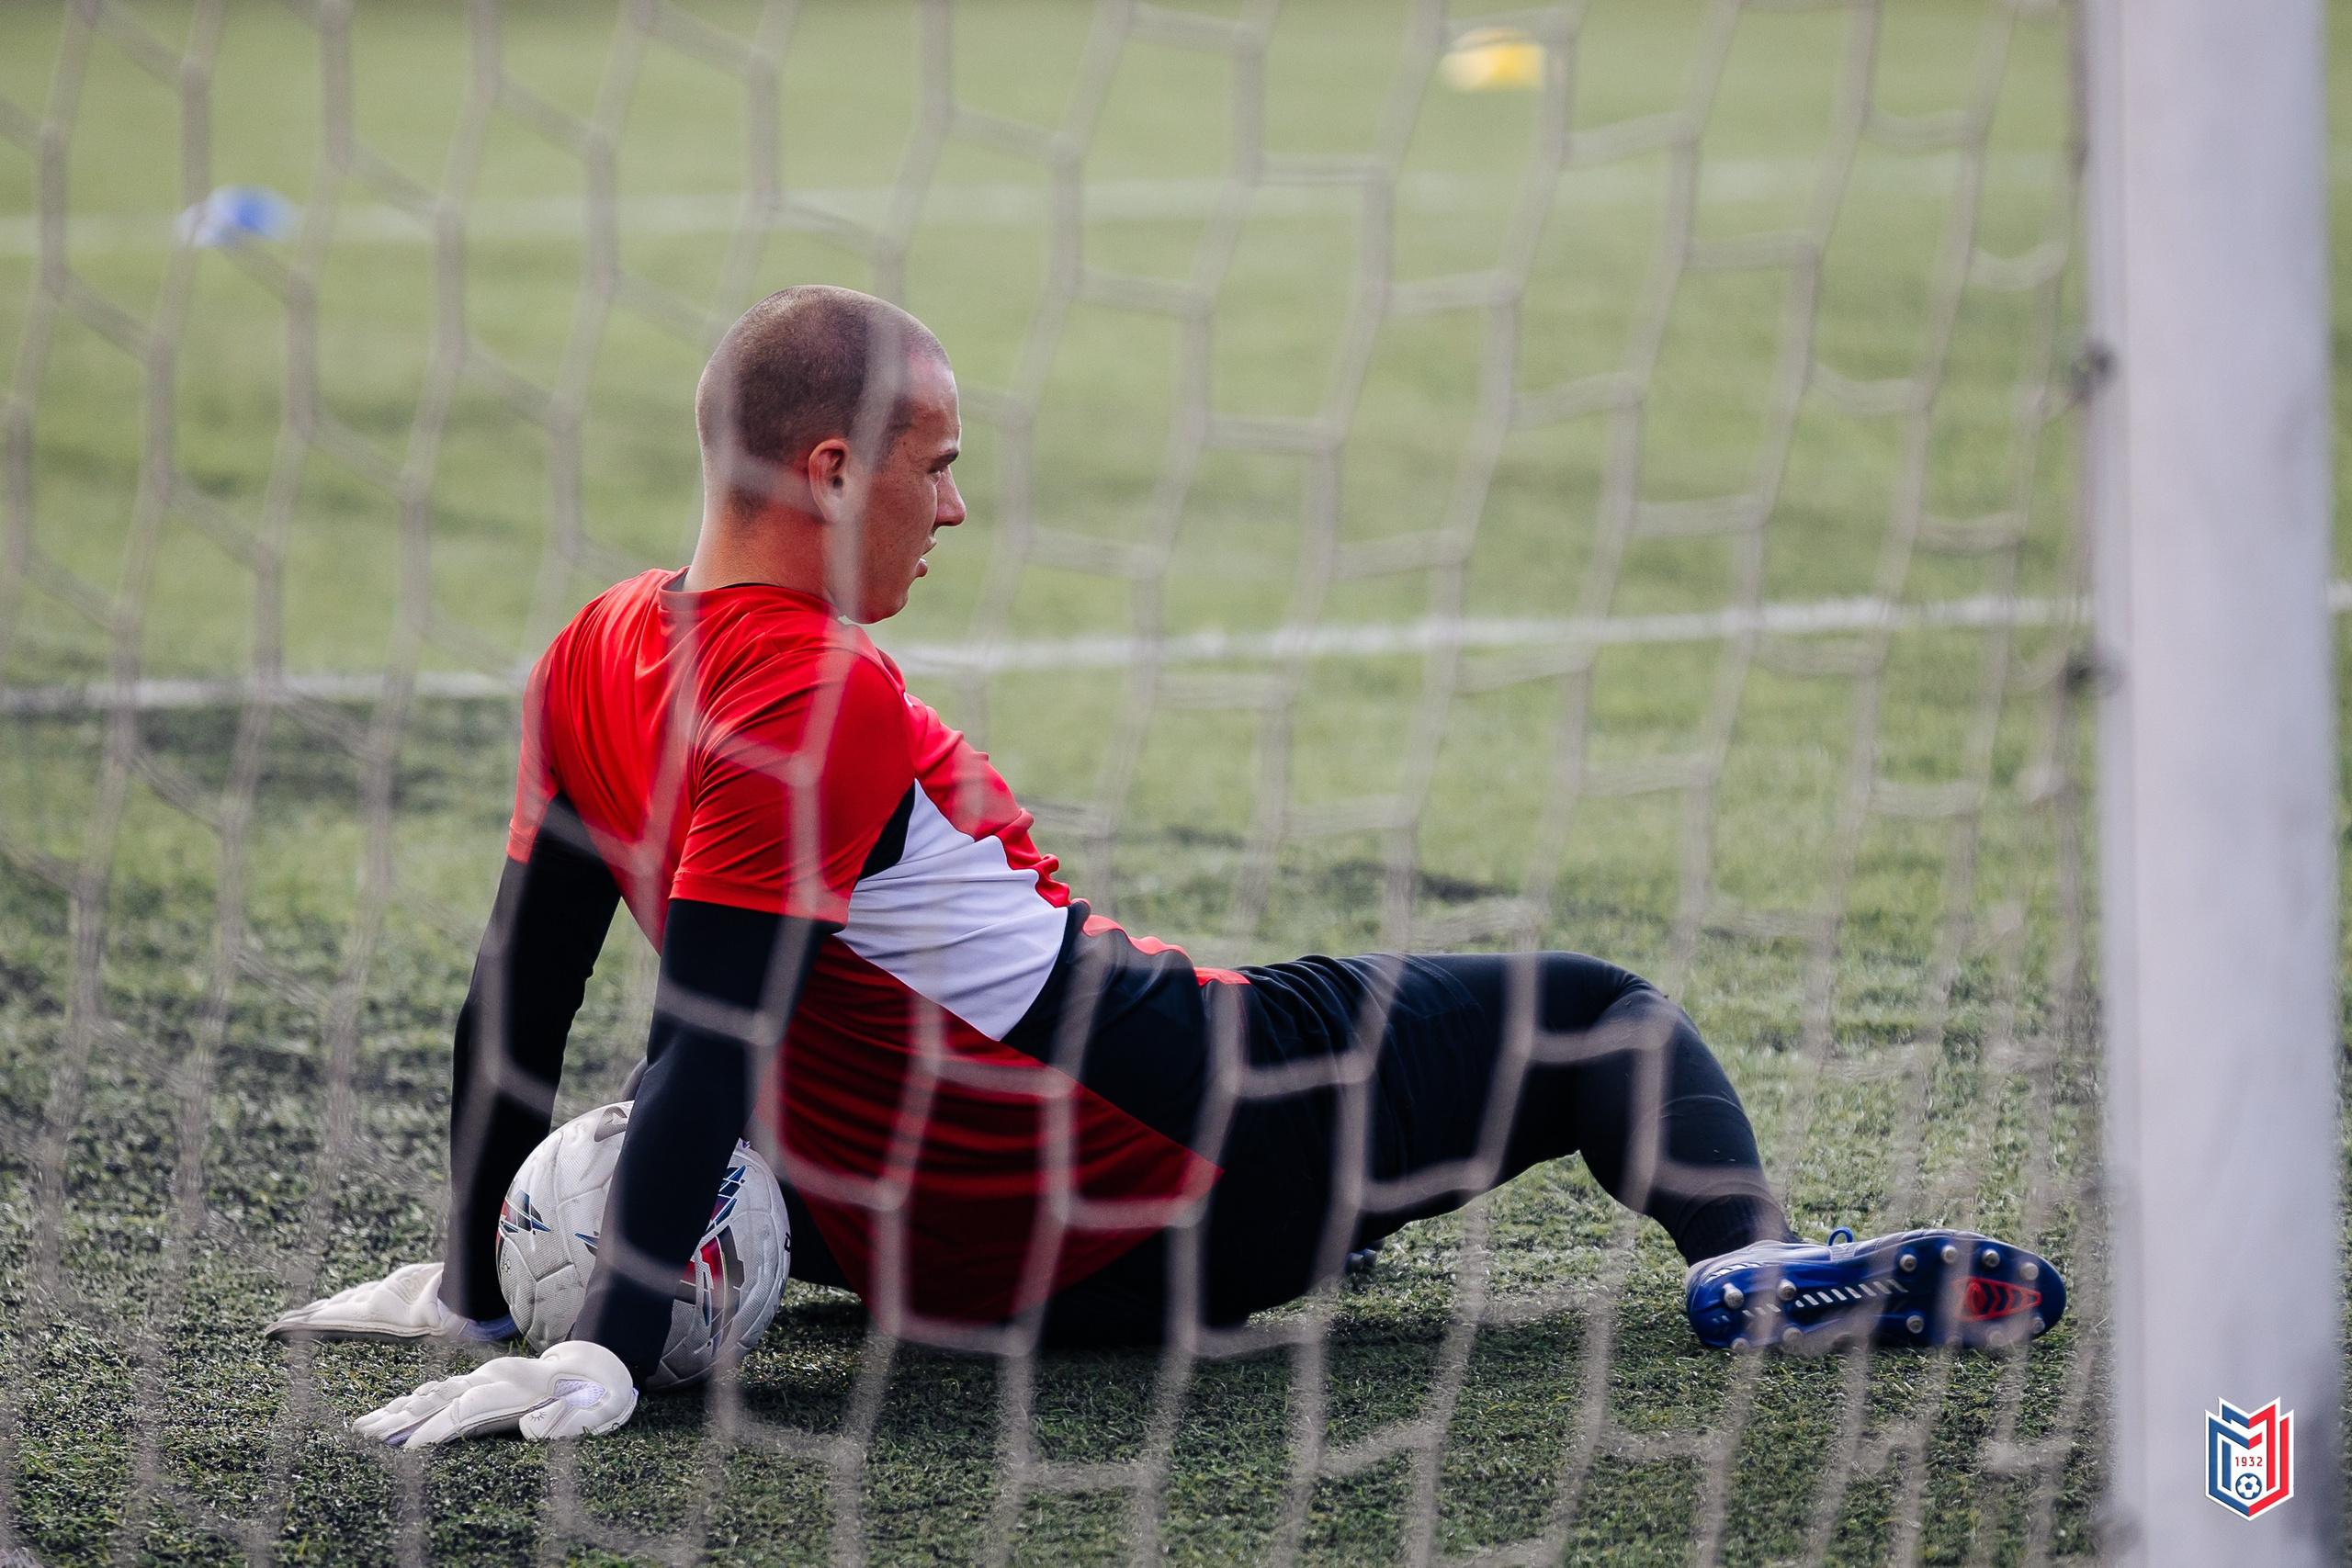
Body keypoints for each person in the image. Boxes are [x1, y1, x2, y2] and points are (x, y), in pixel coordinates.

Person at [264, 287, 2064, 1448]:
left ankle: (1351, 1223)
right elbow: (711, 1032)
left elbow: (525, 987)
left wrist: (488, 1276)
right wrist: (606, 1350)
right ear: (828, 467)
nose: (953, 508)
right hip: (1169, 1162)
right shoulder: (813, 689)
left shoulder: (592, 646)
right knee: (1595, 1017)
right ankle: (1749, 1260)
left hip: (904, 1265)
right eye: (935, 466)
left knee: (1323, 1147)